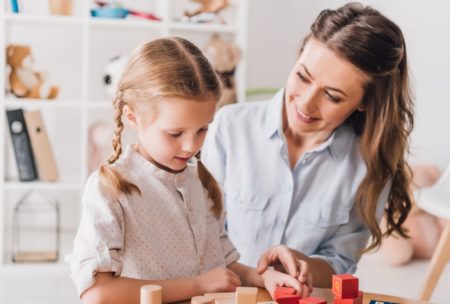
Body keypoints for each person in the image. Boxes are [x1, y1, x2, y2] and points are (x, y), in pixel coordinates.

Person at [66, 37, 311, 304]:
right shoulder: (109, 190)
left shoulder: (201, 182)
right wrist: (196, 285)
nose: (190, 146)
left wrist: (264, 278)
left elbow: (221, 270)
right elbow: (97, 294)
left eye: (202, 129)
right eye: (175, 133)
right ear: (133, 116)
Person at [202, 2, 414, 288]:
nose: (305, 103)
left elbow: (340, 263)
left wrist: (305, 265)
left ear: (365, 102)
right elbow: (201, 239)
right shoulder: (229, 128)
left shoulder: (369, 163)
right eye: (303, 76)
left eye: (333, 96)